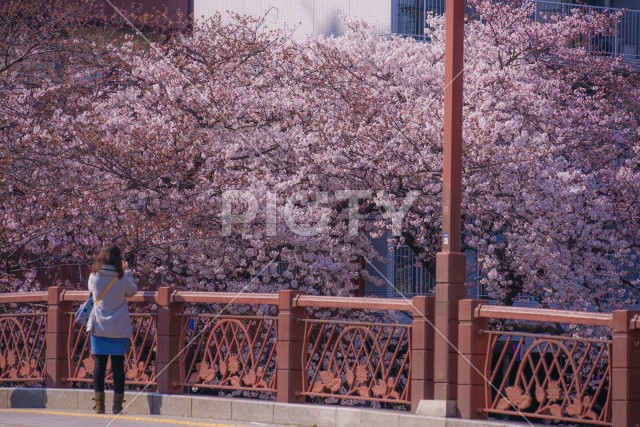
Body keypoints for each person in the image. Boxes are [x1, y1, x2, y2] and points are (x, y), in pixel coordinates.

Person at [86, 243, 137, 414]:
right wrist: (128, 271)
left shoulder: (94, 276)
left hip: (99, 326)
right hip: (119, 327)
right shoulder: (122, 279)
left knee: (99, 364)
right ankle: (117, 407)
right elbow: (133, 291)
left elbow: (90, 290)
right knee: (118, 366)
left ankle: (99, 406)